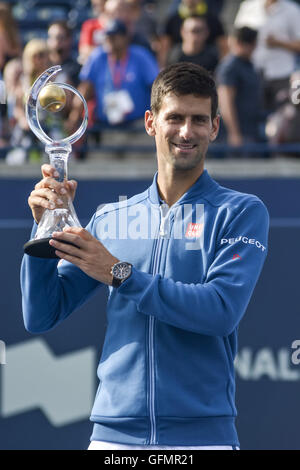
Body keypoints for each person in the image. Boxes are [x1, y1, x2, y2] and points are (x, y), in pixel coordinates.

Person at [21, 62, 269, 450]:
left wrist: (119, 273)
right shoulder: (111, 218)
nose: (187, 132)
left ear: (215, 127)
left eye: (198, 120)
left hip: (201, 438)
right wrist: (43, 230)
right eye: (175, 118)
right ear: (151, 122)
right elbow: (41, 315)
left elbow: (221, 311)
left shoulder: (240, 212)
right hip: (112, 439)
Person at [69, 19, 159, 128]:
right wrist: (74, 117)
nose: (109, 40)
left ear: (125, 38)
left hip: (138, 126)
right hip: (106, 125)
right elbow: (85, 88)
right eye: (106, 36)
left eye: (114, 36)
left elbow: (156, 86)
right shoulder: (98, 57)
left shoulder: (140, 56)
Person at [216, 27, 262, 148]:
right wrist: (234, 133)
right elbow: (225, 102)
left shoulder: (248, 65)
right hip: (238, 135)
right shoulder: (230, 67)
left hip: (250, 130)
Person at [253, 0, 300, 113]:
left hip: (282, 75)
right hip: (253, 73)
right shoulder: (249, 7)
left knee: (284, 118)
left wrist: (278, 43)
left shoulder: (292, 9)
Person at [159, 0, 227, 67]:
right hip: (179, 62)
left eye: (198, 31)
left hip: (208, 65)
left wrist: (221, 69)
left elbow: (223, 46)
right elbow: (165, 46)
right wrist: (162, 66)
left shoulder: (213, 19)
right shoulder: (173, 19)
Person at [47, 20, 81, 87]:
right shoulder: (42, 66)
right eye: (51, 37)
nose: (55, 42)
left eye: (59, 38)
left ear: (69, 40)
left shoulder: (76, 69)